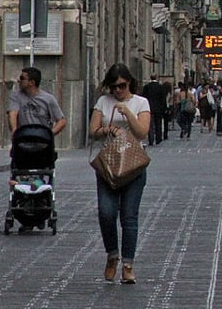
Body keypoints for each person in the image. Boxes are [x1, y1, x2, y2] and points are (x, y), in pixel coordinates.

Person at [89, 63, 150, 285]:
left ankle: (128, 265)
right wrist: (107, 129)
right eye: (114, 87)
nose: (118, 91)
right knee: (106, 213)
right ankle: (112, 254)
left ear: (130, 82)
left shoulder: (141, 103)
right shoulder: (103, 103)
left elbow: (143, 132)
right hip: (109, 166)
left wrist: (127, 113)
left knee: (129, 216)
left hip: (133, 166)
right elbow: (93, 131)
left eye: (122, 86)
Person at [8, 67, 67, 137]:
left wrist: (49, 134)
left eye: (22, 78)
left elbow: (62, 121)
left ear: (32, 82)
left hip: (42, 141)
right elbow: (13, 114)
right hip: (22, 140)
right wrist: (15, 131)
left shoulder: (48, 99)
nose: (18, 80)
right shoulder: (16, 96)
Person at [140, 76, 165, 146]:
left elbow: (143, 97)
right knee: (158, 124)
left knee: (150, 124)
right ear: (156, 78)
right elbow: (163, 98)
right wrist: (163, 108)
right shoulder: (160, 87)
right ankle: (158, 138)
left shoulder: (147, 87)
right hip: (158, 108)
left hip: (149, 107)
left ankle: (151, 139)